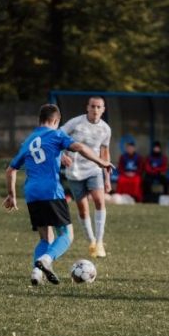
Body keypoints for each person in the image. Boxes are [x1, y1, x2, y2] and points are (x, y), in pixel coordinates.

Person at [4, 104, 113, 286]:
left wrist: (11, 195)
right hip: (51, 191)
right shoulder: (56, 134)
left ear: (39, 120)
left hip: (31, 193)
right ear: (56, 121)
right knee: (66, 236)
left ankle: (36, 273)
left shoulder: (28, 141)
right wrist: (101, 162)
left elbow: (10, 170)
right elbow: (80, 147)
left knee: (45, 238)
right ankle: (47, 259)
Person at [60, 96, 112, 258]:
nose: (96, 110)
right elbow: (57, 137)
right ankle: (91, 241)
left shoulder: (105, 129)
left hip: (93, 169)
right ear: (87, 107)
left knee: (99, 199)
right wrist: (62, 154)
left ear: (103, 109)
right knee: (83, 210)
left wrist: (107, 178)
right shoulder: (75, 123)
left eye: (99, 107)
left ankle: (99, 241)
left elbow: (104, 153)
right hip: (74, 172)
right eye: (93, 106)